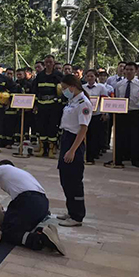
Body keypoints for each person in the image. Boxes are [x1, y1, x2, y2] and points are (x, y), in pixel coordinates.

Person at [0, 161, 64, 254]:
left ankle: (40, 239)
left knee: (7, 231)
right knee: (21, 227)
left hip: (28, 200)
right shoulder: (23, 173)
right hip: (43, 203)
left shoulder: (0, 169)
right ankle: (41, 230)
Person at [54, 74, 93, 227]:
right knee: (65, 179)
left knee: (74, 181)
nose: (63, 91)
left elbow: (83, 129)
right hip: (66, 138)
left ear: (72, 87)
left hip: (74, 141)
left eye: (65, 88)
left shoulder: (84, 103)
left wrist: (72, 150)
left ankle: (77, 216)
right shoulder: (73, 101)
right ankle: (71, 211)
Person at [105, 62, 139, 169]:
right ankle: (117, 158)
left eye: (131, 70)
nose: (129, 72)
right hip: (121, 113)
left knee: (135, 136)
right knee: (120, 136)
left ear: (135, 71)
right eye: (127, 69)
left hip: (134, 112)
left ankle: (135, 159)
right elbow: (116, 98)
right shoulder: (119, 84)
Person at [32, 55, 63, 158]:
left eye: (50, 62)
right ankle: (42, 149)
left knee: (52, 128)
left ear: (54, 63)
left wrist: (58, 102)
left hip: (53, 106)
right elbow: (35, 90)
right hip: (41, 105)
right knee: (41, 127)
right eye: (46, 62)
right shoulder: (40, 76)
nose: (48, 64)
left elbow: (63, 91)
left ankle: (51, 149)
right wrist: (35, 104)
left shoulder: (58, 75)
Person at [82, 70, 109, 165]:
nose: (90, 78)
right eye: (88, 76)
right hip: (85, 114)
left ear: (95, 77)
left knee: (95, 135)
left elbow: (104, 101)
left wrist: (104, 113)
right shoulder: (82, 87)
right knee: (86, 135)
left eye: (92, 76)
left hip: (96, 114)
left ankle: (92, 155)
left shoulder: (101, 87)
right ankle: (85, 155)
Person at [16, 68, 34, 142]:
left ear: (24, 75)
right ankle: (18, 139)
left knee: (27, 124)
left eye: (20, 74)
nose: (18, 76)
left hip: (27, 109)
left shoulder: (29, 84)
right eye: (17, 74)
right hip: (18, 108)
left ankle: (27, 138)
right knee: (18, 124)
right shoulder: (15, 84)